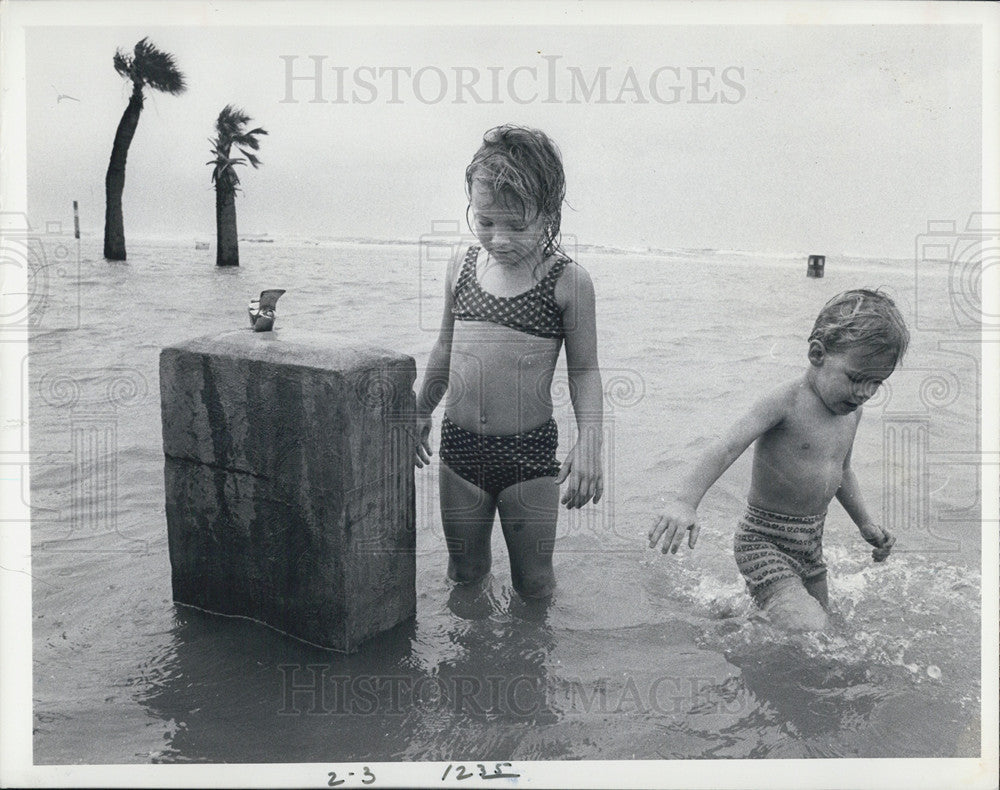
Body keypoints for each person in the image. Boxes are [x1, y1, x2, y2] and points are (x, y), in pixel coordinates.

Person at [414, 124, 603, 599]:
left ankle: (533, 668)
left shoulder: (566, 281)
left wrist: (591, 441)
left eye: (517, 226)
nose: (499, 239)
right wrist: (420, 411)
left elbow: (584, 371)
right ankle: (470, 665)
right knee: (465, 573)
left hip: (529, 457)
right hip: (460, 452)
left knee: (534, 582)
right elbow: (443, 347)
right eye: (485, 222)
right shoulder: (461, 265)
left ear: (549, 215)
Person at [648, 289, 909, 630]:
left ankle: (733, 614)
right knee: (808, 628)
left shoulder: (850, 413)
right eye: (856, 378)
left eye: (877, 383)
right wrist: (685, 502)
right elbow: (727, 446)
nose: (865, 393)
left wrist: (865, 524)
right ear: (817, 354)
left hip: (810, 546)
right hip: (762, 541)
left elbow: (843, 471)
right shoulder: (786, 402)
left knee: (826, 630)